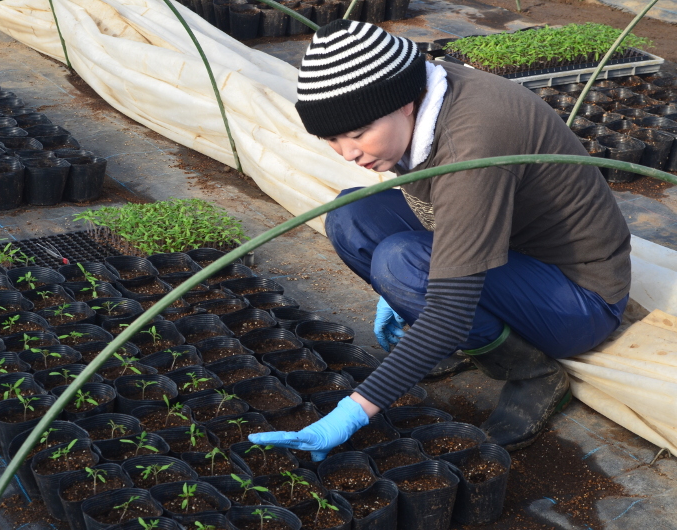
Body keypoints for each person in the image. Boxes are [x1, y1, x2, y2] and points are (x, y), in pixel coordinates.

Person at [249, 19, 631, 459]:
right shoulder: (421, 94)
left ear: (406, 105)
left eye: (356, 135)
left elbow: (449, 309)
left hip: (576, 298)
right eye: (332, 139)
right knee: (351, 214)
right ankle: (463, 337)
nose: (349, 152)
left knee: (402, 263)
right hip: (507, 250)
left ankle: (533, 374)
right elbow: (439, 213)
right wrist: (405, 296)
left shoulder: (471, 143)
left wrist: (350, 413)